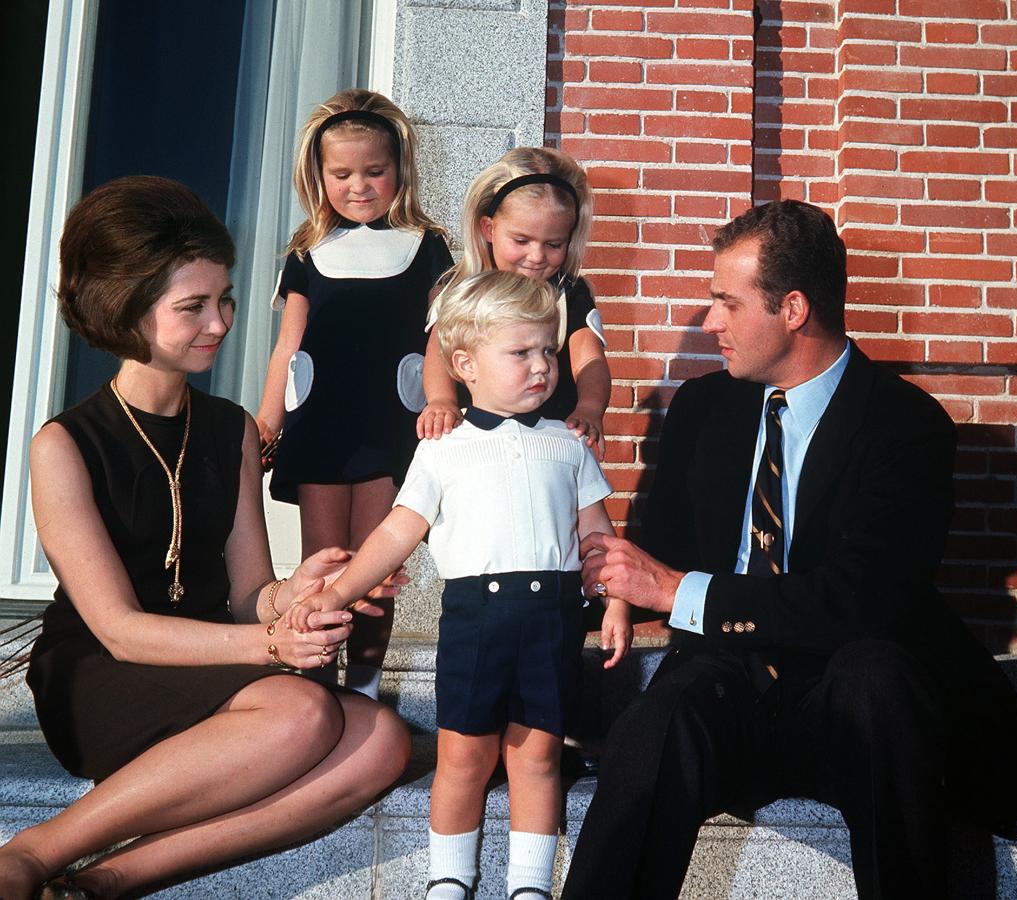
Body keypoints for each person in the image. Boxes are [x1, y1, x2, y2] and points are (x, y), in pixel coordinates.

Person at [562, 200, 1017, 899]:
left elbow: (862, 599)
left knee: (878, 677)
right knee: (659, 718)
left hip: (853, 704)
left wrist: (673, 591)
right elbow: (654, 558)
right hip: (730, 686)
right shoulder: (700, 410)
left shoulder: (906, 425)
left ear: (792, 308)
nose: (712, 323)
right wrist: (580, 580)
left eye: (727, 302)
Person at [0, 176, 411, 900]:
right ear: (125, 311)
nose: (219, 322)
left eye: (223, 300)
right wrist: (272, 646)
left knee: (382, 741)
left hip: (213, 665)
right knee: (302, 710)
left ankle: (106, 882)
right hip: (100, 674)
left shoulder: (232, 431)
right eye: (192, 307)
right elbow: (121, 631)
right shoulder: (63, 444)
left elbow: (252, 593)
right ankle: (33, 854)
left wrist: (301, 592)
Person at [286, 270, 633, 900]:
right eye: (520, 352)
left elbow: (598, 540)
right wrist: (334, 593)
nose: (541, 367)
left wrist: (617, 602)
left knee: (537, 757)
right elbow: (396, 533)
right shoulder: (444, 450)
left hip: (553, 623)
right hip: (477, 620)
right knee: (463, 758)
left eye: (548, 351)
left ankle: (529, 885)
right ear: (465, 364)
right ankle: (449, 878)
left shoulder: (569, 446)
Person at [256, 88, 452, 696]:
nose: (359, 186)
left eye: (375, 171)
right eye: (342, 174)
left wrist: (445, 399)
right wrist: (268, 421)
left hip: (390, 426)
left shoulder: (427, 246)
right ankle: (314, 689)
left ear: (399, 172)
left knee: (373, 569)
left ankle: (362, 692)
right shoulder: (307, 251)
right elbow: (287, 345)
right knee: (324, 564)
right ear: (319, 176)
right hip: (319, 430)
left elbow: (441, 337)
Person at [417, 147, 611, 459]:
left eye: (553, 244)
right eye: (521, 241)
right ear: (488, 229)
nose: (536, 256)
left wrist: (589, 408)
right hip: (473, 440)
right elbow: (438, 352)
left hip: (549, 442)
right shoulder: (460, 290)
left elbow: (590, 360)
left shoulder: (568, 294)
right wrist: (442, 401)